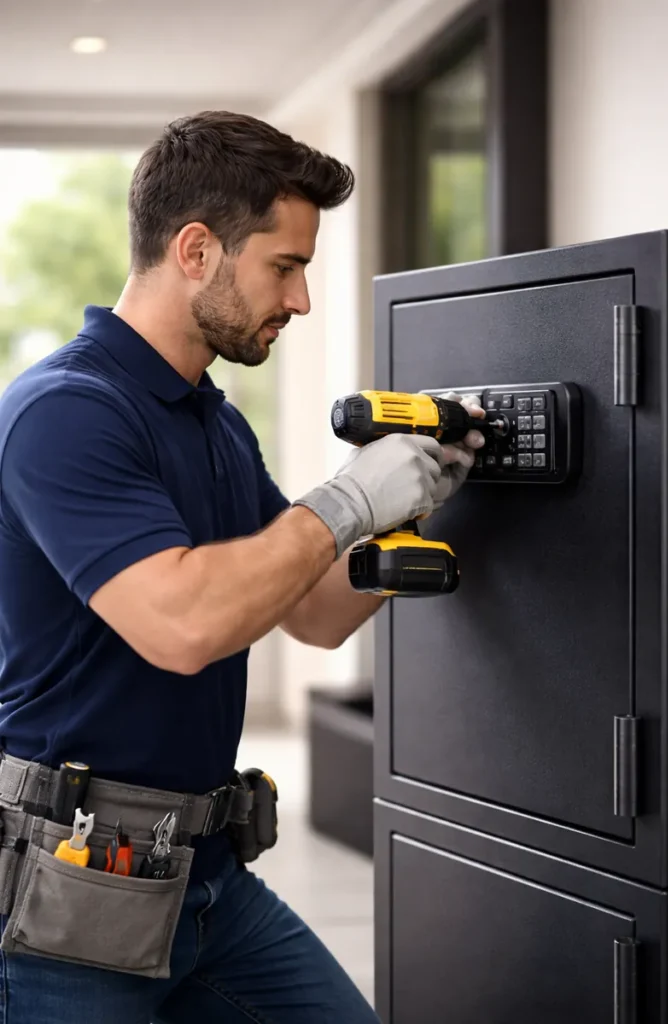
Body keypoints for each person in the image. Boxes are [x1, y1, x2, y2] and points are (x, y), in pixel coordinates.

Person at [0, 110, 484, 1023]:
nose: (298, 299)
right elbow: (184, 627)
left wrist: (426, 494)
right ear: (194, 250)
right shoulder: (65, 413)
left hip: (211, 883)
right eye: (284, 266)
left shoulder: (212, 422)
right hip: (74, 892)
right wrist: (343, 501)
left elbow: (310, 611)